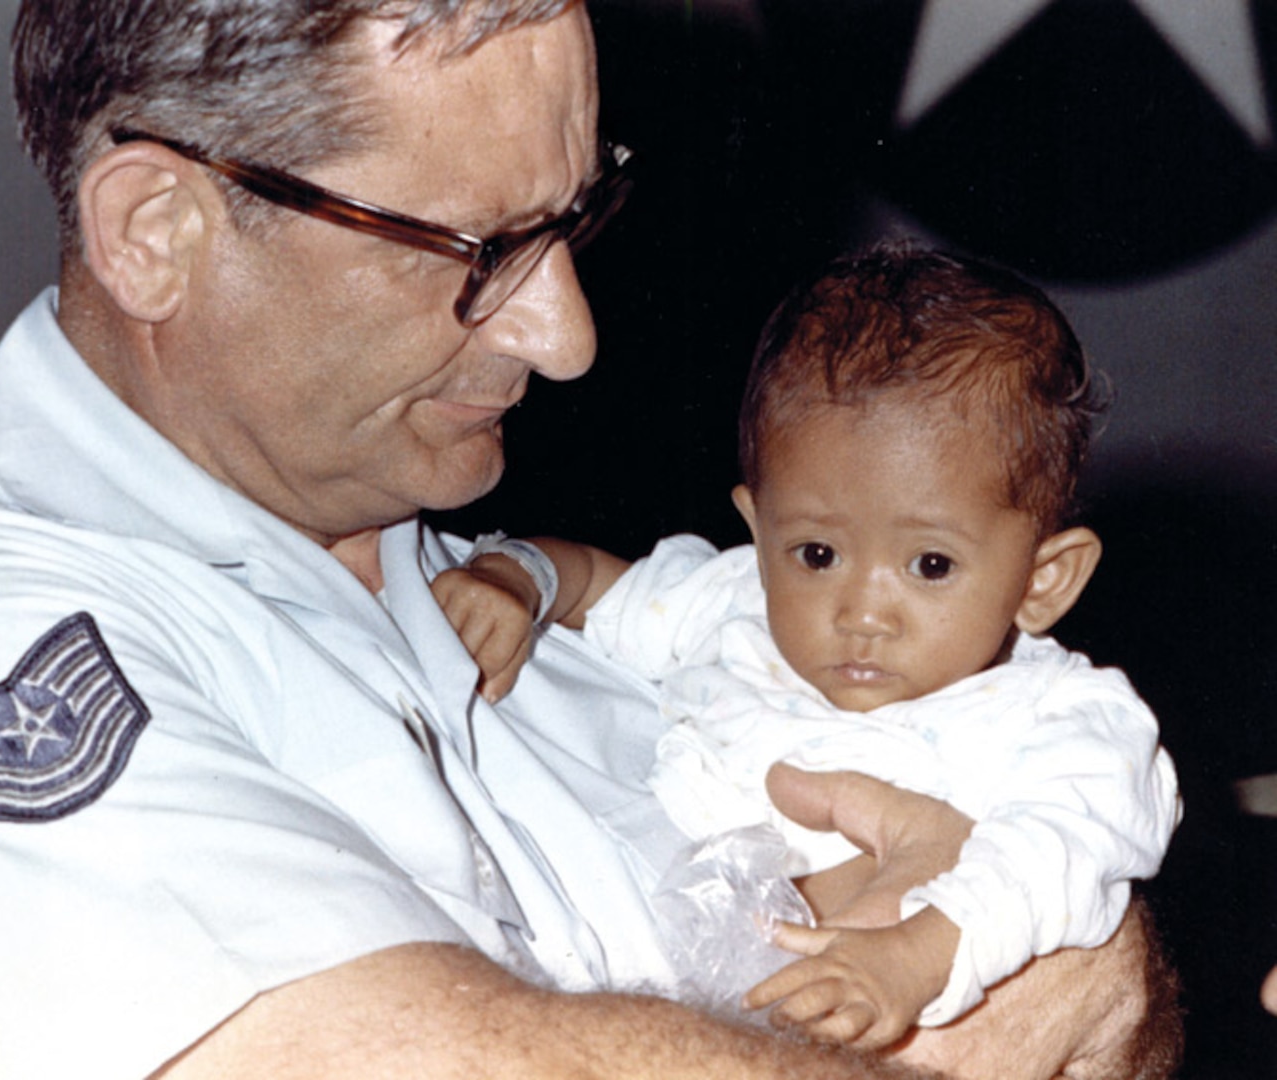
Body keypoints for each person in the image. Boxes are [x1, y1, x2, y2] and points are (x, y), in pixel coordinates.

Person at [0, 2, 1177, 1077]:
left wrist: (1096, 957)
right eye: (483, 249)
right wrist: (1035, 984)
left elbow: (1102, 978)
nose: (564, 338)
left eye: (573, 225)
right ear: (157, 233)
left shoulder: (509, 595)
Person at [432, 246, 1180, 1048]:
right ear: (758, 534)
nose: (861, 611)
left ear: (1043, 579)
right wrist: (518, 577)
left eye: (929, 565)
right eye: (816, 554)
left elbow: (1053, 861)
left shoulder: (1065, 723)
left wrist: (915, 955)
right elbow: (593, 585)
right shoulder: (735, 607)